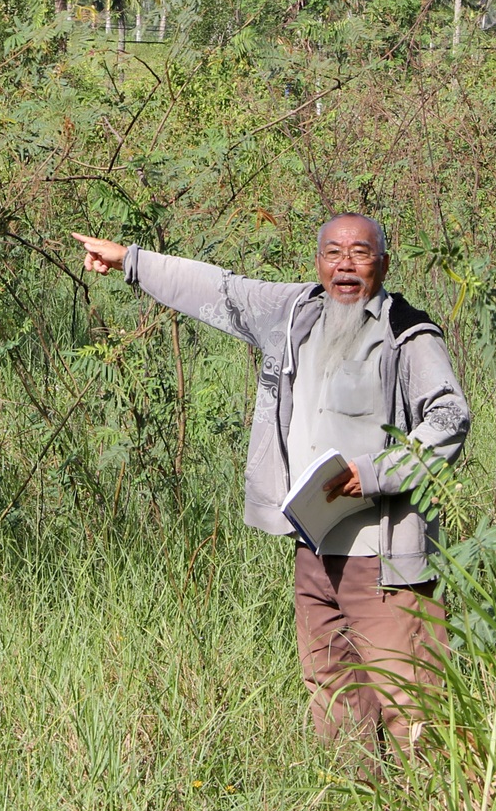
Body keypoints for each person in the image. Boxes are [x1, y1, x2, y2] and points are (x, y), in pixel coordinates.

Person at [71, 216, 470, 754]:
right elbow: (220, 288)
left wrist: (374, 474)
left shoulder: (407, 332)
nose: (345, 266)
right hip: (313, 552)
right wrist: (130, 261)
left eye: (360, 253)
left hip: (385, 563)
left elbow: (449, 418)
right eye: (333, 253)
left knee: (413, 708)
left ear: (384, 264)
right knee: (335, 703)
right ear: (318, 261)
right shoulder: (294, 312)